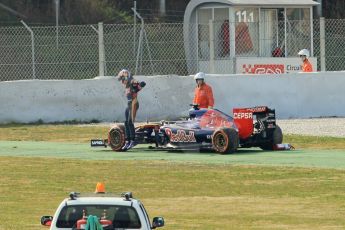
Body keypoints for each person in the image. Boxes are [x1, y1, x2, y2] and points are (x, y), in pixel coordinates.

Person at [117, 69, 146, 150]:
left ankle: (132, 141)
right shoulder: (126, 86)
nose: (122, 81)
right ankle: (127, 141)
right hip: (129, 104)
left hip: (134, 103)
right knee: (126, 122)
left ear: (126, 77)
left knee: (130, 122)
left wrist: (138, 86)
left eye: (123, 79)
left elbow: (140, 85)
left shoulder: (132, 82)